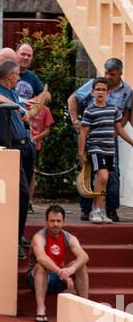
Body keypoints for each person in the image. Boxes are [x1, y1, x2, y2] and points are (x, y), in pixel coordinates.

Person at [68, 58, 133, 221]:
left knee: (111, 175)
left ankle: (107, 209)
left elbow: (124, 116)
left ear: (120, 74)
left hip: (109, 142)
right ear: (94, 91)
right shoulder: (91, 102)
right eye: (106, 73)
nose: (108, 77)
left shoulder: (126, 92)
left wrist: (123, 136)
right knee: (96, 174)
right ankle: (90, 208)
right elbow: (73, 99)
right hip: (94, 141)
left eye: (112, 74)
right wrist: (75, 121)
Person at [0, 58, 34, 256]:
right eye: (16, 74)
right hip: (11, 147)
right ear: (9, 77)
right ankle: (13, 239)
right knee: (21, 193)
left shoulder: (14, 92)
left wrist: (22, 104)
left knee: (26, 194)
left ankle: (19, 234)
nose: (18, 77)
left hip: (26, 146)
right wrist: (15, 107)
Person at [27, 205, 89, 322]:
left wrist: (71, 269)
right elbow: (41, 257)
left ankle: (84, 306)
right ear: (46, 222)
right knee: (41, 266)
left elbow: (84, 256)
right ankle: (41, 308)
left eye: (58, 221)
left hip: (59, 276)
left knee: (81, 266)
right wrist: (60, 272)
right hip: (36, 278)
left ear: (63, 222)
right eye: (52, 221)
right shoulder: (39, 237)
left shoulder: (68, 237)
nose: (55, 224)